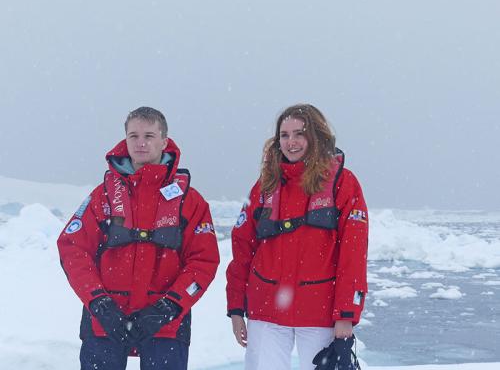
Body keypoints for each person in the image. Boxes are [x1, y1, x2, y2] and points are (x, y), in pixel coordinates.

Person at [57, 106, 220, 370]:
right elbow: (72, 248)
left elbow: (203, 261)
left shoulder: (190, 201)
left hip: (167, 324)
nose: (141, 143)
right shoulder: (103, 196)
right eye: (133, 136)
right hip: (104, 323)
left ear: (164, 141)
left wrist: (169, 307)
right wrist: (99, 303)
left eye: (149, 135)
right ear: (125, 139)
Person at [226, 104, 368, 370]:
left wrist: (346, 315)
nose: (291, 142)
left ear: (316, 136)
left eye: (299, 134)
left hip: (319, 314)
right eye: (284, 135)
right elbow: (242, 247)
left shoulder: (343, 184)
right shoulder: (264, 186)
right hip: (265, 311)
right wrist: (235, 308)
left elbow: (353, 256)